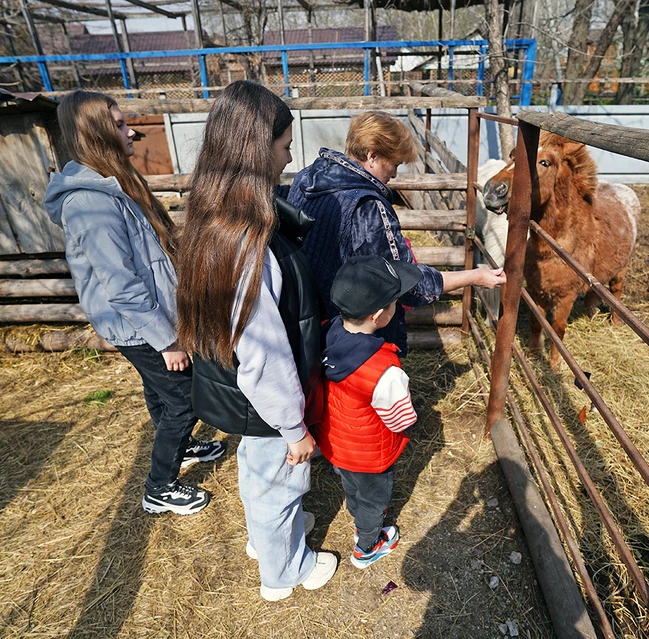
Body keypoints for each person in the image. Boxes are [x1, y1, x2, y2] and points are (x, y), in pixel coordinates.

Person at [175, 80, 337, 602]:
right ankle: (284, 571)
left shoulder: (214, 215)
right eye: (285, 147)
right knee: (279, 479)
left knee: (260, 472)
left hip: (240, 396)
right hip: (266, 400)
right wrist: (294, 429)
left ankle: (268, 537)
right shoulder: (247, 244)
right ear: (255, 148)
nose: (290, 159)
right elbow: (262, 354)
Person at [45, 91, 225, 517]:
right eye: (121, 125)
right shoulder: (89, 201)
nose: (132, 131)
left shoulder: (116, 183)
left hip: (153, 316)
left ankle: (180, 446)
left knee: (159, 387)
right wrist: (167, 341)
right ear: (97, 133)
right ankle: (159, 487)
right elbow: (121, 285)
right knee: (185, 399)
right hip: (138, 324)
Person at [287, 111, 506, 355]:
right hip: (356, 340)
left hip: (309, 325)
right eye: (395, 164)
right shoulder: (369, 207)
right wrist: (475, 276)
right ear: (372, 156)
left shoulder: (308, 178)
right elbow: (406, 283)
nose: (394, 174)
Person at [316, 255, 422, 569]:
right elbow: (401, 419)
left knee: (353, 488)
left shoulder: (328, 332)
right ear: (379, 315)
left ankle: (359, 515)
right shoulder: (385, 369)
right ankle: (367, 545)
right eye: (394, 303)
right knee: (374, 498)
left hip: (338, 443)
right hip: (369, 456)